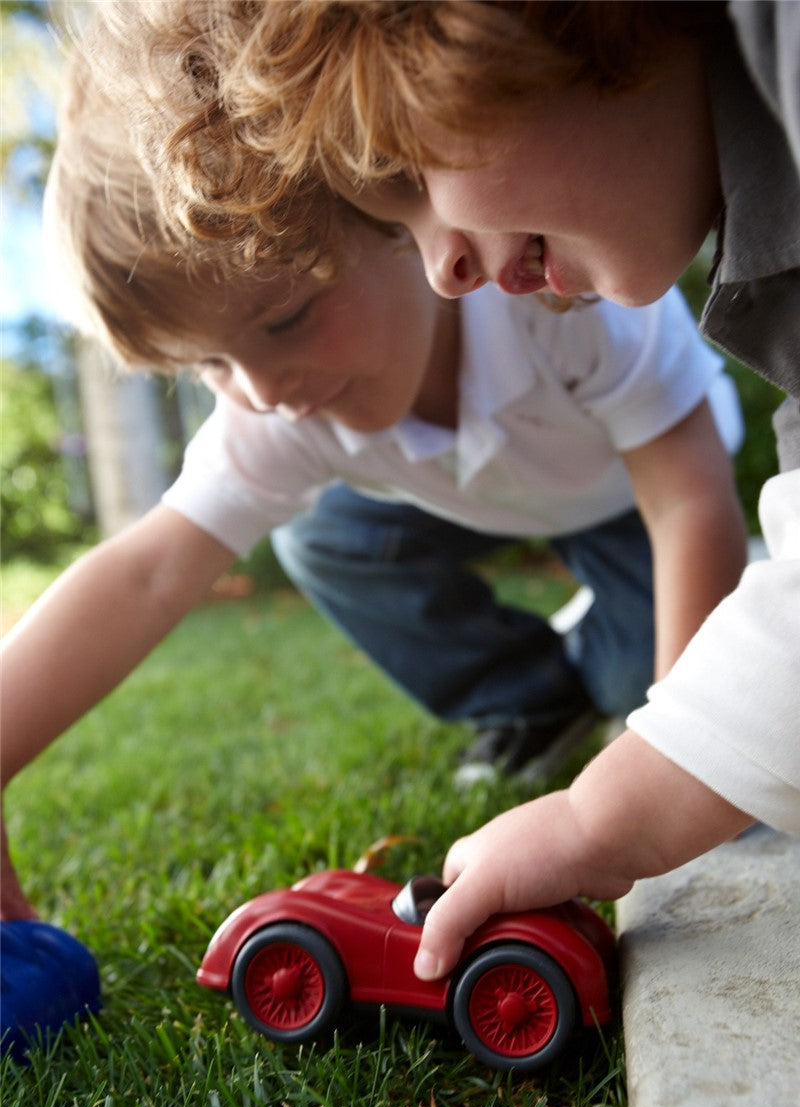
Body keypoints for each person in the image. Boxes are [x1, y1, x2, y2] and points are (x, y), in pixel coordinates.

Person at [0, 48, 748, 1051]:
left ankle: (600, 668)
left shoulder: (547, 277)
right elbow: (148, 568)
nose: (263, 389)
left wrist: (679, 760)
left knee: (655, 683)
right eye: (211, 363)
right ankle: (528, 698)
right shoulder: (279, 398)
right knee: (322, 536)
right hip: (454, 502)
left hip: (627, 497)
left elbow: (687, 500)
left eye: (286, 317)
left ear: (392, 207)